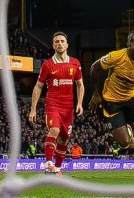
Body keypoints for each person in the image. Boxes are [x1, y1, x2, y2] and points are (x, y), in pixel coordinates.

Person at [89, 31, 134, 180]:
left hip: (133, 100)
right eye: (132, 42)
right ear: (127, 44)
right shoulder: (117, 56)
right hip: (112, 101)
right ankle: (127, 132)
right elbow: (94, 67)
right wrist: (96, 94)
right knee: (125, 144)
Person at [28, 31, 84, 176]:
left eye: (62, 41)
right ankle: (48, 164)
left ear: (67, 44)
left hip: (69, 107)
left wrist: (80, 103)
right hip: (53, 104)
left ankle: (58, 168)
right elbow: (38, 86)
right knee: (54, 130)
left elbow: (80, 84)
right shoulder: (47, 65)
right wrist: (33, 109)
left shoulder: (75, 63)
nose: (59, 44)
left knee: (64, 139)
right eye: (57, 41)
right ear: (53, 45)